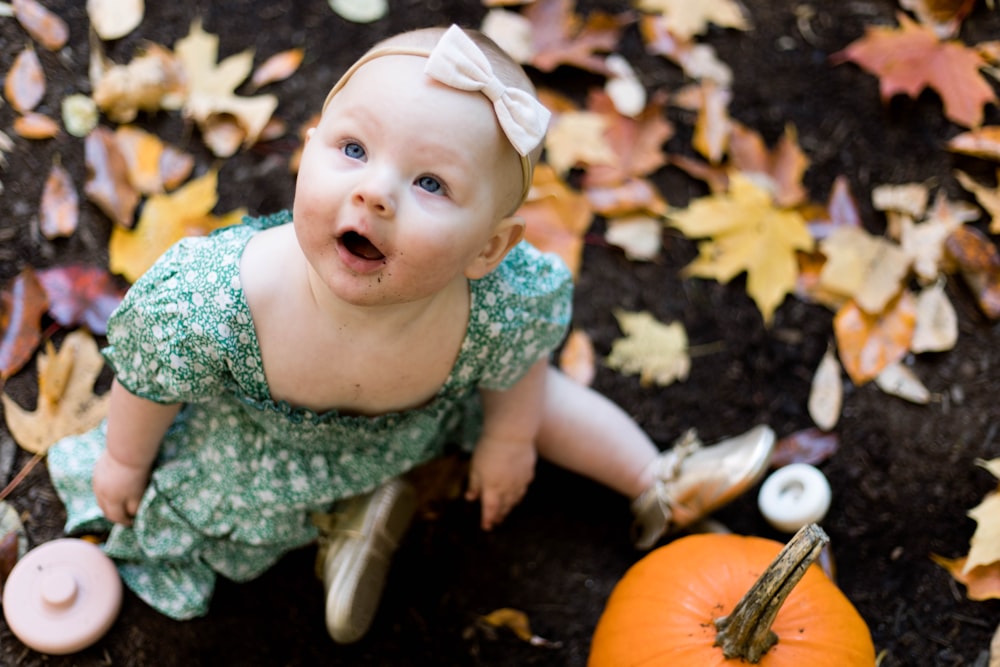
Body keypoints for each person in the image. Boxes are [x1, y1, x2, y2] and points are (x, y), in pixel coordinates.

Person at [47, 24, 775, 645]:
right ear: (309, 149)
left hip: (431, 412)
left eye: (430, 183)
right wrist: (122, 457)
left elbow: (518, 363)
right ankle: (347, 520)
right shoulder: (219, 300)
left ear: (488, 249)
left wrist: (508, 439)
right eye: (353, 150)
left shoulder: (491, 305)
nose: (374, 191)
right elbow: (150, 379)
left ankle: (656, 480)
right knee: (215, 501)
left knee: (541, 400)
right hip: (272, 445)